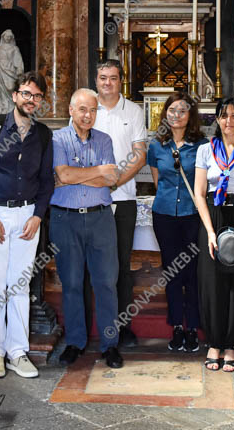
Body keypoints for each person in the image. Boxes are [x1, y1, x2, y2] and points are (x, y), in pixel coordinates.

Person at [0, 71, 54, 379]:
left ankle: (18, 352)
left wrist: (37, 216)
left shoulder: (42, 135)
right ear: (15, 95)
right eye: (26, 94)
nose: (31, 100)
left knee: (19, 285)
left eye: (37, 96)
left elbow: (46, 181)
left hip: (27, 217)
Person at [50, 88, 122, 369]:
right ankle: (75, 342)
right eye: (82, 109)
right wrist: (96, 171)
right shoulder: (57, 139)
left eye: (93, 110)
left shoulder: (104, 139)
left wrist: (74, 177)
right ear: (71, 110)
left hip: (100, 218)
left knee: (106, 283)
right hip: (65, 219)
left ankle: (110, 345)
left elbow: (112, 177)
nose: (87, 115)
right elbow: (62, 174)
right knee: (71, 283)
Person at [193, 97, 234, 373]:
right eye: (223, 116)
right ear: (217, 120)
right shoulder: (206, 150)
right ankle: (214, 343)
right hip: (214, 216)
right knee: (212, 282)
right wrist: (208, 230)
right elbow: (198, 192)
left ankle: (232, 344)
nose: (228, 121)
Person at [92, 60, 148, 347]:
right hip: (90, 200)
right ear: (97, 79)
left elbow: (140, 155)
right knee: (96, 265)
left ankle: (122, 326)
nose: (107, 83)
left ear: (120, 81)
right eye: (103, 78)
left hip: (123, 198)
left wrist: (114, 182)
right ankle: (100, 327)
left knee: (122, 266)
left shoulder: (134, 111)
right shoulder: (87, 107)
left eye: (113, 78)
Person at [147, 91, 207, 351]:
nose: (176, 115)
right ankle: (177, 327)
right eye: (172, 110)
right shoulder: (156, 145)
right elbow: (157, 180)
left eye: (182, 111)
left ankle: (193, 326)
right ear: (165, 114)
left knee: (192, 272)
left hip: (193, 217)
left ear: (190, 115)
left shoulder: (202, 145)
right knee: (172, 271)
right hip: (165, 216)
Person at [0, 30, 24, 115]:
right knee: (0, 89)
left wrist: (19, 70)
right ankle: (2, 106)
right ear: (3, 37)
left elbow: (18, 60)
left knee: (11, 87)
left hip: (10, 71)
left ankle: (12, 106)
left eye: (10, 37)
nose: (8, 38)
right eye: (7, 36)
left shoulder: (15, 48)